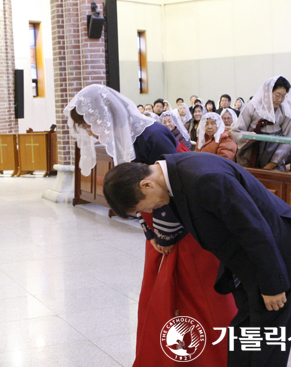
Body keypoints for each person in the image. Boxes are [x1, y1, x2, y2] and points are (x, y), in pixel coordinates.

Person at [65, 84, 235, 366]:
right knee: (159, 298)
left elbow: (174, 185)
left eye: (91, 125)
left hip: (184, 229)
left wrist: (164, 235)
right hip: (158, 228)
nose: (93, 133)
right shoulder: (127, 138)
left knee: (195, 297)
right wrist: (150, 232)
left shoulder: (152, 134)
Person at [103, 153, 291, 367]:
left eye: (145, 207)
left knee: (266, 344)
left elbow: (254, 229)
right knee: (243, 336)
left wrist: (273, 285)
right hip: (248, 263)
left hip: (276, 260)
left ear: (146, 185)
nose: (152, 210)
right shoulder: (175, 173)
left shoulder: (203, 178)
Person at [231, 76, 291, 171]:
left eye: (283, 96)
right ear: (268, 92)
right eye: (277, 95)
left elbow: (287, 139)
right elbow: (237, 131)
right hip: (249, 157)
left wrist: (272, 164)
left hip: (273, 161)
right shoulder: (251, 107)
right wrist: (248, 137)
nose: (279, 100)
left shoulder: (284, 112)